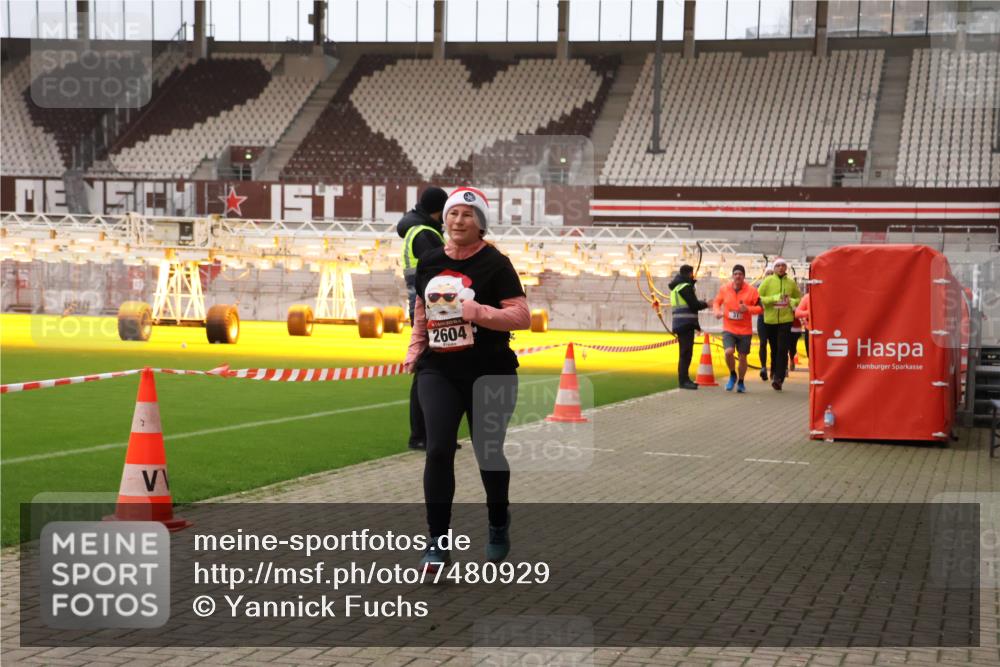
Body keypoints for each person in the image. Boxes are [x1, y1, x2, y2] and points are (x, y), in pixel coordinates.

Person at [404, 187, 530, 571]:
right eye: (453, 214)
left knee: (487, 451)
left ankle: (497, 523)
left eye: (468, 215)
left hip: (490, 371)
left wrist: (479, 312)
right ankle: (437, 543)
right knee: (438, 449)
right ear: (444, 218)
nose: (459, 221)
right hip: (438, 368)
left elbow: (521, 316)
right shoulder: (428, 260)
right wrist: (415, 348)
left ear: (481, 224)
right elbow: (422, 309)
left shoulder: (496, 263)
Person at [397, 186, 448, 451]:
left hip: (425, 307)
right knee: (427, 374)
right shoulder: (426, 234)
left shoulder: (417, 230)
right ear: (438, 210)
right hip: (429, 308)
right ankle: (420, 435)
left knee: (431, 373)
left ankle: (429, 435)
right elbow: (442, 269)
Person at [712, 264, 762, 393]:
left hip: (745, 330)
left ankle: (741, 381)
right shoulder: (724, 289)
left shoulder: (752, 291)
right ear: (732, 276)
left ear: (744, 276)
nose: (738, 276)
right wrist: (717, 311)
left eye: (740, 274)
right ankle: (732, 374)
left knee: (742, 357)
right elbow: (716, 302)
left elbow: (760, 309)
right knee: (728, 352)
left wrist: (748, 309)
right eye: (735, 274)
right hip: (729, 328)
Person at [757, 258, 801, 391]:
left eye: (783, 266)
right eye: (778, 266)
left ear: (786, 268)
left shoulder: (791, 283)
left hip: (786, 320)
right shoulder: (768, 281)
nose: (781, 268)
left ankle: (779, 378)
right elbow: (758, 298)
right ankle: (774, 371)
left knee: (783, 349)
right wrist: (773, 299)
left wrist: (792, 301)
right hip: (770, 320)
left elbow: (799, 298)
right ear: (774, 268)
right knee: (774, 349)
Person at [668, 264, 709, 390]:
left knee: (684, 353)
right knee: (686, 353)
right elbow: (694, 305)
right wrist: (707, 303)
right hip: (685, 324)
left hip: (681, 323)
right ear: (690, 274)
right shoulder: (685, 287)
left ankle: (684, 379)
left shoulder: (677, 287)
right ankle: (683, 381)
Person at [754, 264, 773, 381]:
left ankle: (774, 368)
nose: (769, 276)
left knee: (774, 345)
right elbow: (755, 301)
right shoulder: (759, 287)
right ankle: (763, 367)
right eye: (768, 274)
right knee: (763, 343)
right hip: (762, 318)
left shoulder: (778, 287)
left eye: (772, 273)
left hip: (775, 319)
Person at [795, 292, 811, 357]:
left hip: (826, 332)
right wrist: (809, 313)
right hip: (810, 331)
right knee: (810, 356)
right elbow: (797, 313)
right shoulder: (807, 297)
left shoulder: (828, 297)